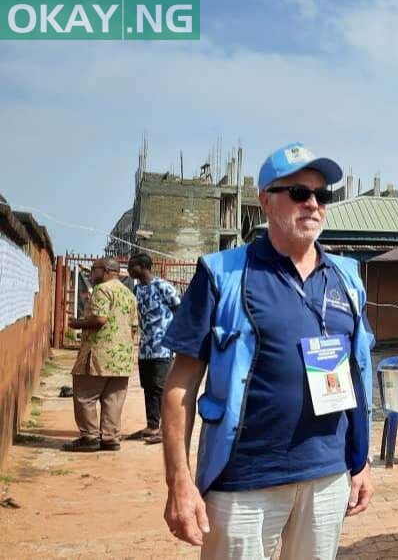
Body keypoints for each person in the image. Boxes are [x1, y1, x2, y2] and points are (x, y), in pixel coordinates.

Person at [160, 142, 375, 558]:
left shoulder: (347, 278)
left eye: (322, 195)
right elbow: (180, 383)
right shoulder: (221, 274)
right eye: (298, 192)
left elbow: (357, 372)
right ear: (265, 200)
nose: (313, 204)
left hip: (328, 476)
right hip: (243, 481)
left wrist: (361, 461)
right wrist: (179, 481)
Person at [63, 258, 139, 452]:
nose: (91, 273)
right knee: (113, 399)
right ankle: (110, 438)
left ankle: (89, 436)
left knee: (85, 396)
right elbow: (134, 326)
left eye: (94, 269)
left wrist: (77, 323)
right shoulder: (129, 294)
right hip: (122, 358)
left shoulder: (102, 290)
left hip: (99, 354)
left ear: (105, 271)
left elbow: (100, 319)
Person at [126, 252, 181, 445]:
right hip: (145, 348)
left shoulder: (163, 286)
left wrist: (176, 338)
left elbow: (179, 310)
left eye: (132, 266)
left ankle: (167, 430)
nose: (129, 270)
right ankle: (152, 426)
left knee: (162, 388)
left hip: (162, 348)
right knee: (148, 387)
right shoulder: (137, 289)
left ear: (143, 267)